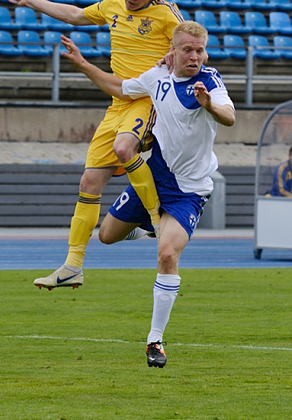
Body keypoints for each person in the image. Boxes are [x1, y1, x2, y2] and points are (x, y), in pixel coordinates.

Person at [61, 21, 235, 368]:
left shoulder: (210, 82)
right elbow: (120, 88)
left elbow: (229, 115)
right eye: (188, 49)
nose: (195, 56)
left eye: (200, 50)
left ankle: (155, 340)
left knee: (168, 254)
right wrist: (84, 65)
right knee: (107, 236)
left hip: (188, 191)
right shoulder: (156, 77)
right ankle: (149, 227)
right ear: (173, 50)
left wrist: (208, 105)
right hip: (153, 181)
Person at [11, 0, 185, 290]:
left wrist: (175, 57)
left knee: (124, 150)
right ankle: (72, 266)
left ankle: (155, 218)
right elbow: (76, 15)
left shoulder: (168, 15)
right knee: (89, 183)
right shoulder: (114, 3)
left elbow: (195, 46)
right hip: (117, 104)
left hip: (147, 101)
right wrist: (32, 0)